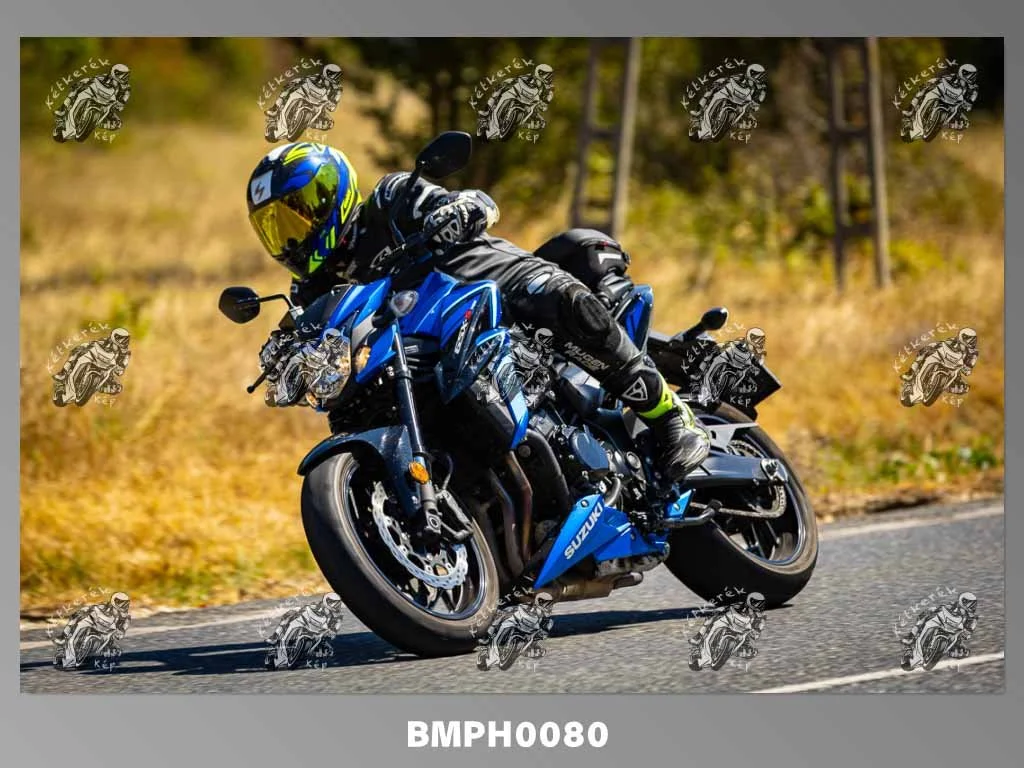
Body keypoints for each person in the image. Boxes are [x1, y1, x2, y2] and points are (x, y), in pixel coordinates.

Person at [244, 142, 711, 482]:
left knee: (562, 302)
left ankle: (669, 416)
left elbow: (474, 203)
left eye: (297, 215)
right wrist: (283, 353)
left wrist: (459, 210)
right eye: (275, 227)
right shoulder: (311, 289)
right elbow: (311, 333)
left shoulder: (390, 201)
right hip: (421, 352)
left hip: (485, 288)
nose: (291, 237)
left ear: (331, 195)